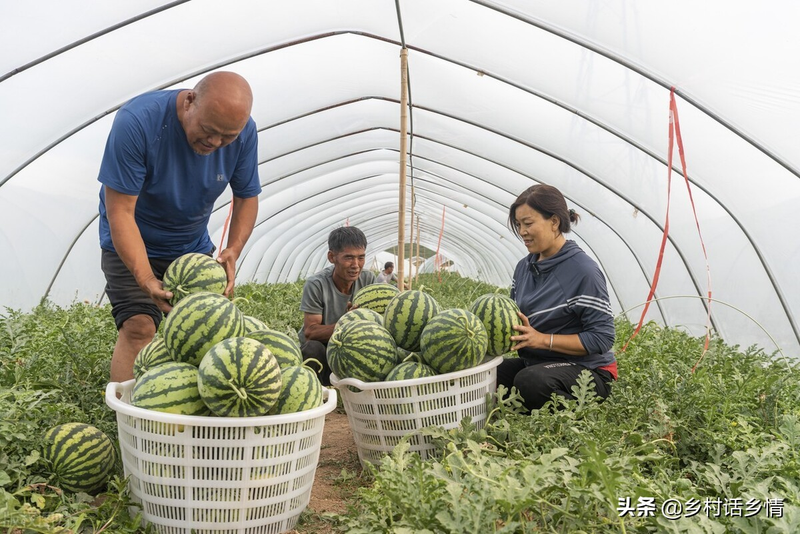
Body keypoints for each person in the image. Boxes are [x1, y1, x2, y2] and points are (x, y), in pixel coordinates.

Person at [98, 71, 261, 383]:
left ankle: (186, 417)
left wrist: (233, 251)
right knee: (139, 327)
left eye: (226, 138)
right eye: (209, 130)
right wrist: (145, 277)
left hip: (191, 248)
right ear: (189, 102)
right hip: (132, 240)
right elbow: (119, 211)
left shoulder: (244, 134)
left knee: (204, 336)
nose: (215, 142)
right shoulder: (137, 122)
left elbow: (246, 197)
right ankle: (131, 421)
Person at [497, 184, 617, 411]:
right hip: (537, 363)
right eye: (519, 224)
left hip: (587, 371)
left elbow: (601, 338)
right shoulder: (523, 268)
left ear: (554, 222)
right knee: (487, 375)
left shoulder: (583, 270)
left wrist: (542, 339)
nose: (522, 231)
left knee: (529, 382)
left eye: (528, 223)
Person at [299, 227, 376, 385]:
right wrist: (347, 323)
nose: (356, 265)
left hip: (352, 347)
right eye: (349, 257)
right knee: (313, 348)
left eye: (361, 258)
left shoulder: (368, 280)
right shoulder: (316, 284)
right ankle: (317, 391)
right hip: (325, 349)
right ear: (332, 257)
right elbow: (310, 332)